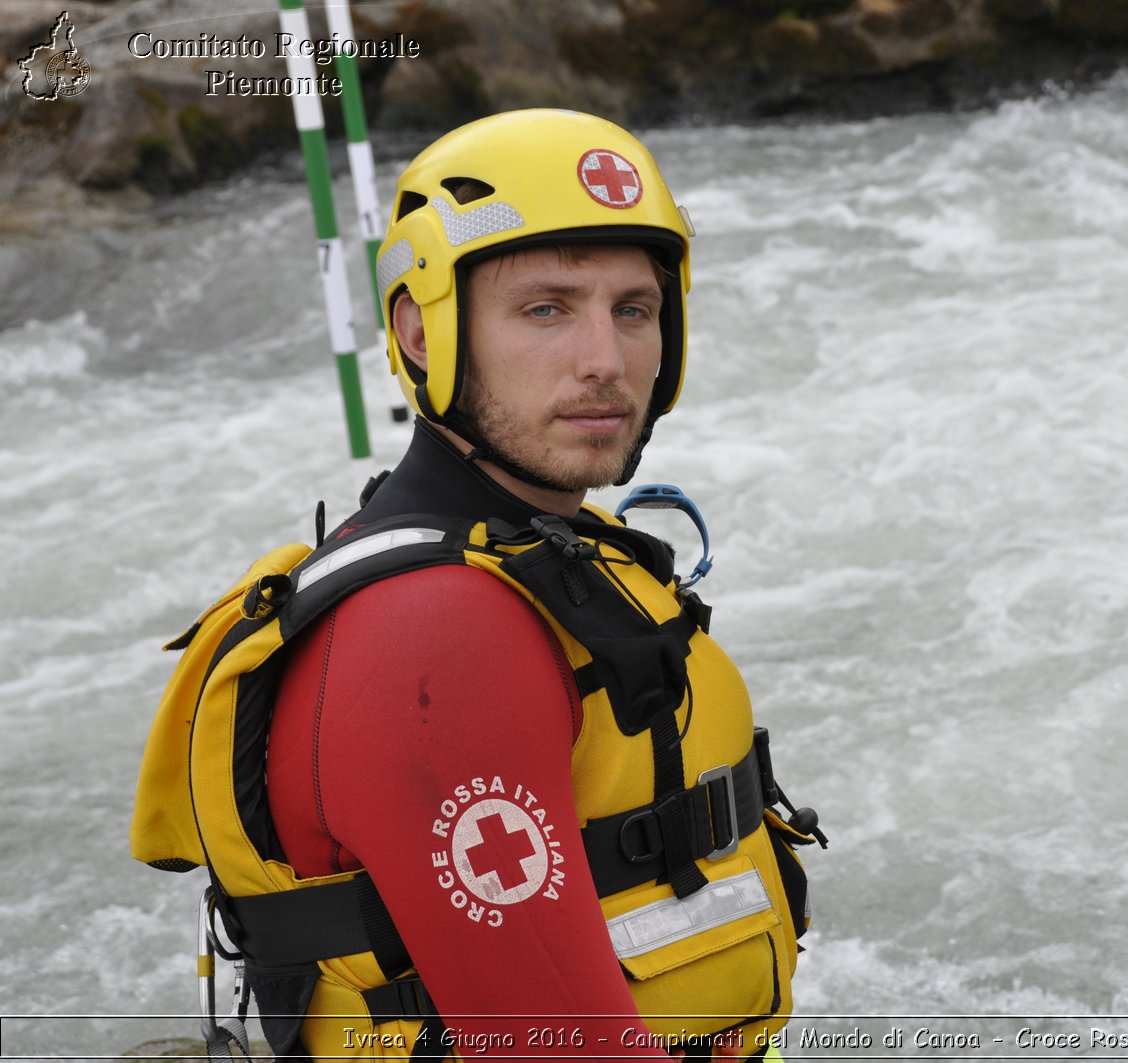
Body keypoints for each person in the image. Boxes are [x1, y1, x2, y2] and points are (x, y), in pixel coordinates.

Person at [131, 109, 818, 1062]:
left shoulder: (553, 549)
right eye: (546, 308)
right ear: (420, 330)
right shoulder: (434, 635)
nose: (605, 361)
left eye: (633, 308)